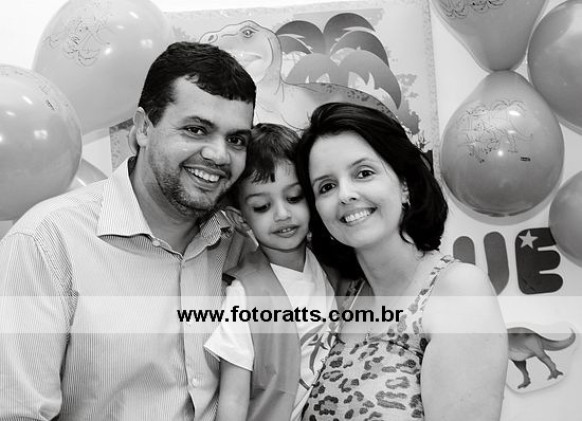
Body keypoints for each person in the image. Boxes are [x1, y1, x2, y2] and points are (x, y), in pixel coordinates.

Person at [0, 42, 256, 420]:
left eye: (236, 140)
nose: (219, 155)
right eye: (196, 129)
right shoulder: (46, 243)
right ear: (143, 128)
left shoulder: (243, 246)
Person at [294, 102, 508, 421]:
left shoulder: (458, 290)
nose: (345, 194)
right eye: (326, 187)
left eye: (363, 173)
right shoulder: (340, 296)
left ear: (404, 184)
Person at [204, 123, 338, 421]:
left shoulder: (330, 264)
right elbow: (234, 399)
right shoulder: (244, 295)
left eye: (294, 197)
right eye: (262, 206)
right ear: (241, 219)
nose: (282, 214)